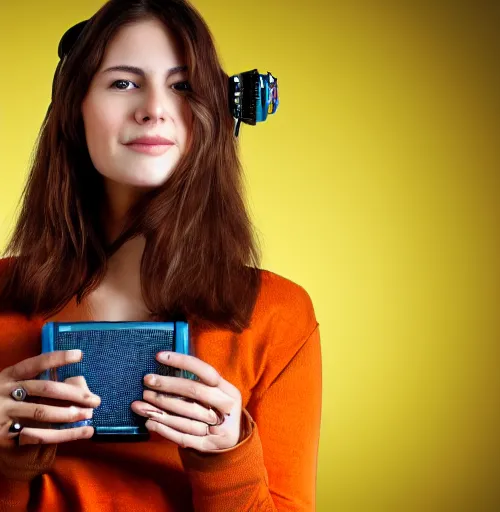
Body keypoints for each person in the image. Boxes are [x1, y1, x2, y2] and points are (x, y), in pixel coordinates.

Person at [0, 0, 322, 510]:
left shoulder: (278, 316)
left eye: (183, 85)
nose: (154, 108)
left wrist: (227, 459)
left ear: (215, 115)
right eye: (123, 82)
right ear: (73, 109)